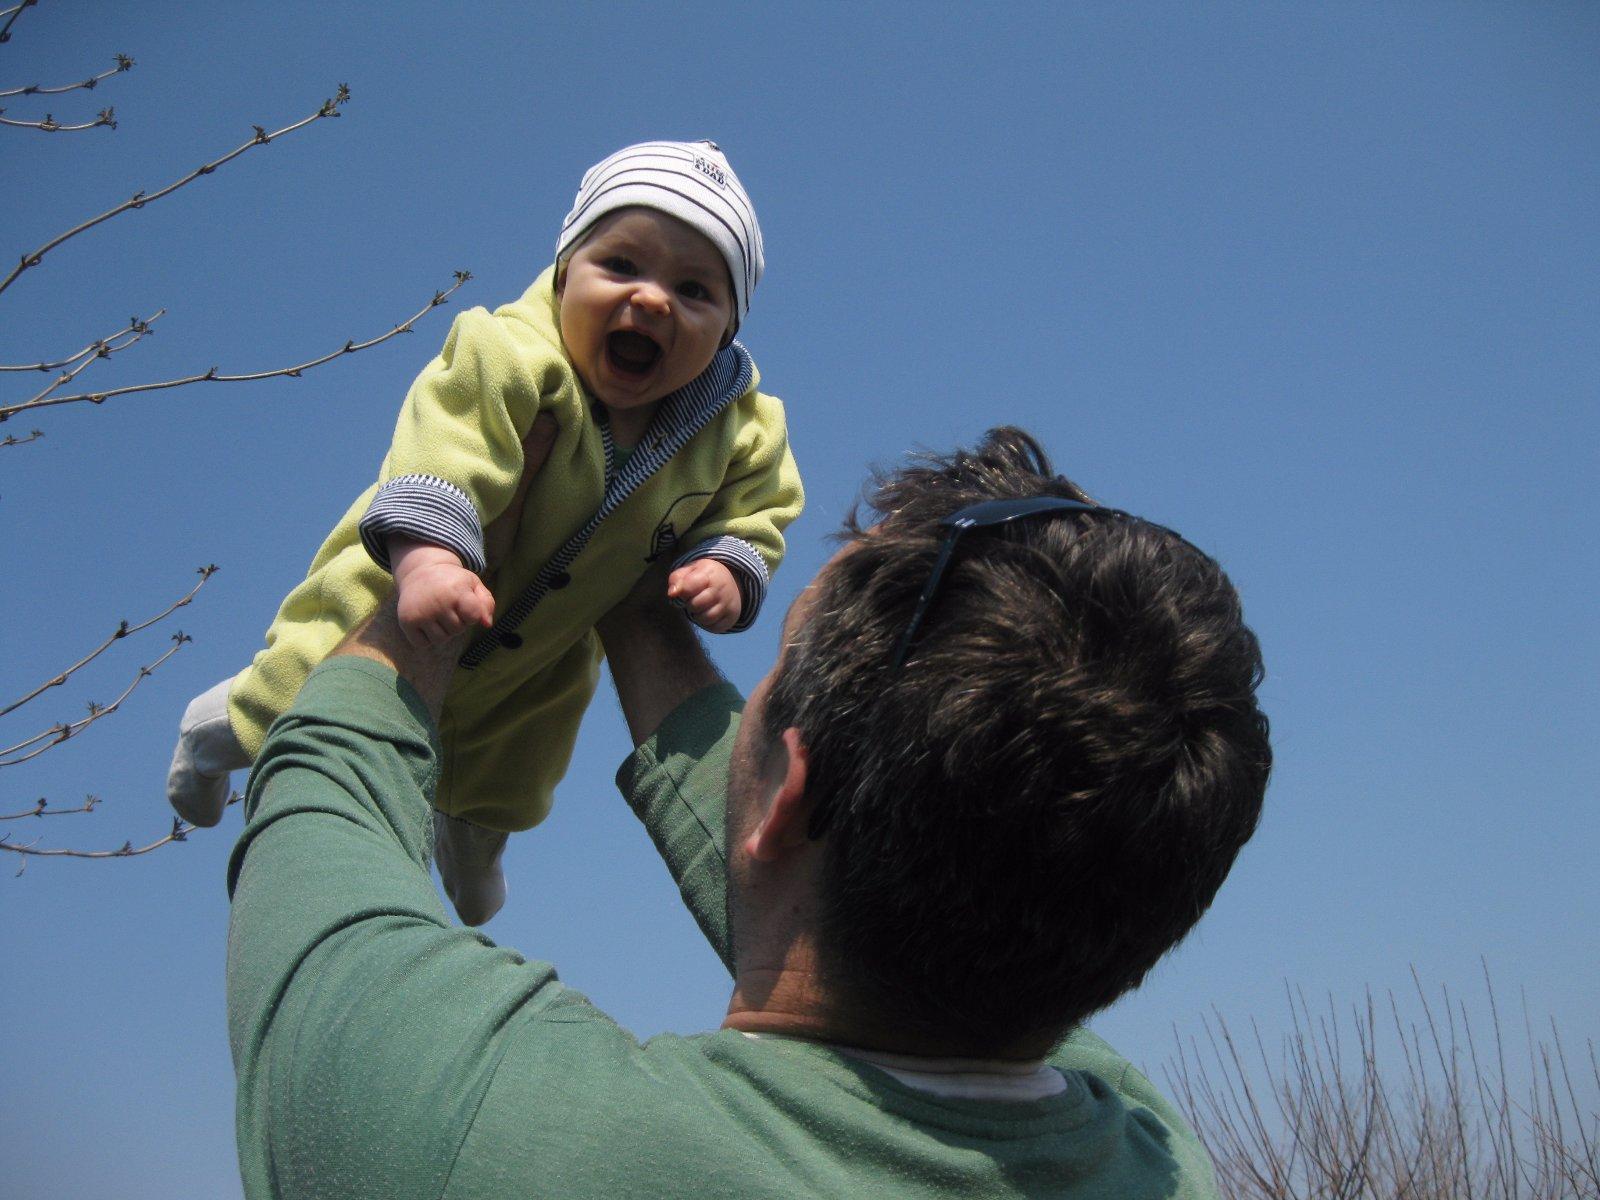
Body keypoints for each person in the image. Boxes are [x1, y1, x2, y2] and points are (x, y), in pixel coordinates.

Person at [226, 426, 1271, 1198]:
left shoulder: (485, 1136)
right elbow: (816, 871)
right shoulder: (1157, 1162)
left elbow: (324, 801)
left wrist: (456, 560)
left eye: (769, 676)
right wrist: (628, 580)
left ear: (786, 793)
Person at [169, 140, 803, 924]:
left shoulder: (738, 430)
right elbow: (448, 444)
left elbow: (761, 504)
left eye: (695, 289)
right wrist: (430, 560)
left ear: (730, 327)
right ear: (565, 272)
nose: (652, 299)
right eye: (620, 265)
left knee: (515, 771)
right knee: (297, 698)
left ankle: (473, 851)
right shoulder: (508, 354)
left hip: (544, 654)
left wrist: (729, 565)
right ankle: (208, 736)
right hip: (400, 587)